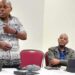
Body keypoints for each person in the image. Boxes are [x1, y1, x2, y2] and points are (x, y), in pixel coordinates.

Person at [0, 0, 27, 68]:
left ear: (10, 9)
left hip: (15, 62)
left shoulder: (16, 20)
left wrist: (13, 31)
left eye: (5, 7)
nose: (2, 9)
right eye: (0, 7)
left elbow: (24, 36)